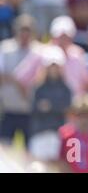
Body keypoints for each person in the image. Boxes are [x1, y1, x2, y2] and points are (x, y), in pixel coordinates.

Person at [0, 14, 41, 146]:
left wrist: (13, 79)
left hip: (30, 111)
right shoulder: (5, 49)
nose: (24, 33)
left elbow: (39, 80)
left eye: (28, 30)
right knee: (4, 151)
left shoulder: (38, 52)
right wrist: (18, 81)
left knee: (29, 152)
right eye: (22, 29)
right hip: (8, 109)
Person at [29, 45, 72, 162]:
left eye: (56, 66)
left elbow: (66, 108)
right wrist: (53, 107)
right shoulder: (39, 88)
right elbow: (34, 108)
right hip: (39, 133)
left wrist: (49, 106)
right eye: (51, 66)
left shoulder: (66, 89)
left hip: (57, 134)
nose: (53, 69)